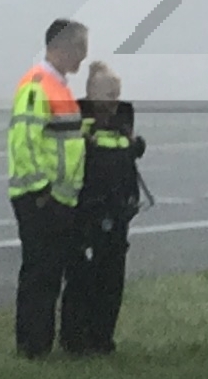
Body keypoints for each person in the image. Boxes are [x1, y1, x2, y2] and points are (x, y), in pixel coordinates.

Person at [5, 19, 91, 359]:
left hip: (59, 198)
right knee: (40, 274)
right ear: (62, 47)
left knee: (55, 272)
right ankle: (32, 346)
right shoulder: (38, 85)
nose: (83, 57)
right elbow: (24, 142)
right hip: (41, 198)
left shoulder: (59, 86)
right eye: (80, 48)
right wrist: (41, 191)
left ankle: (47, 342)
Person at [58, 64, 144, 353]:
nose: (111, 99)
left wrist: (135, 148)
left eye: (115, 93)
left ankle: (102, 338)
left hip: (118, 211)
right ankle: (74, 340)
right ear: (91, 92)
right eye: (106, 93)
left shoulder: (124, 120)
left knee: (111, 280)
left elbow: (127, 161)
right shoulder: (77, 118)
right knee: (81, 279)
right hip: (85, 211)